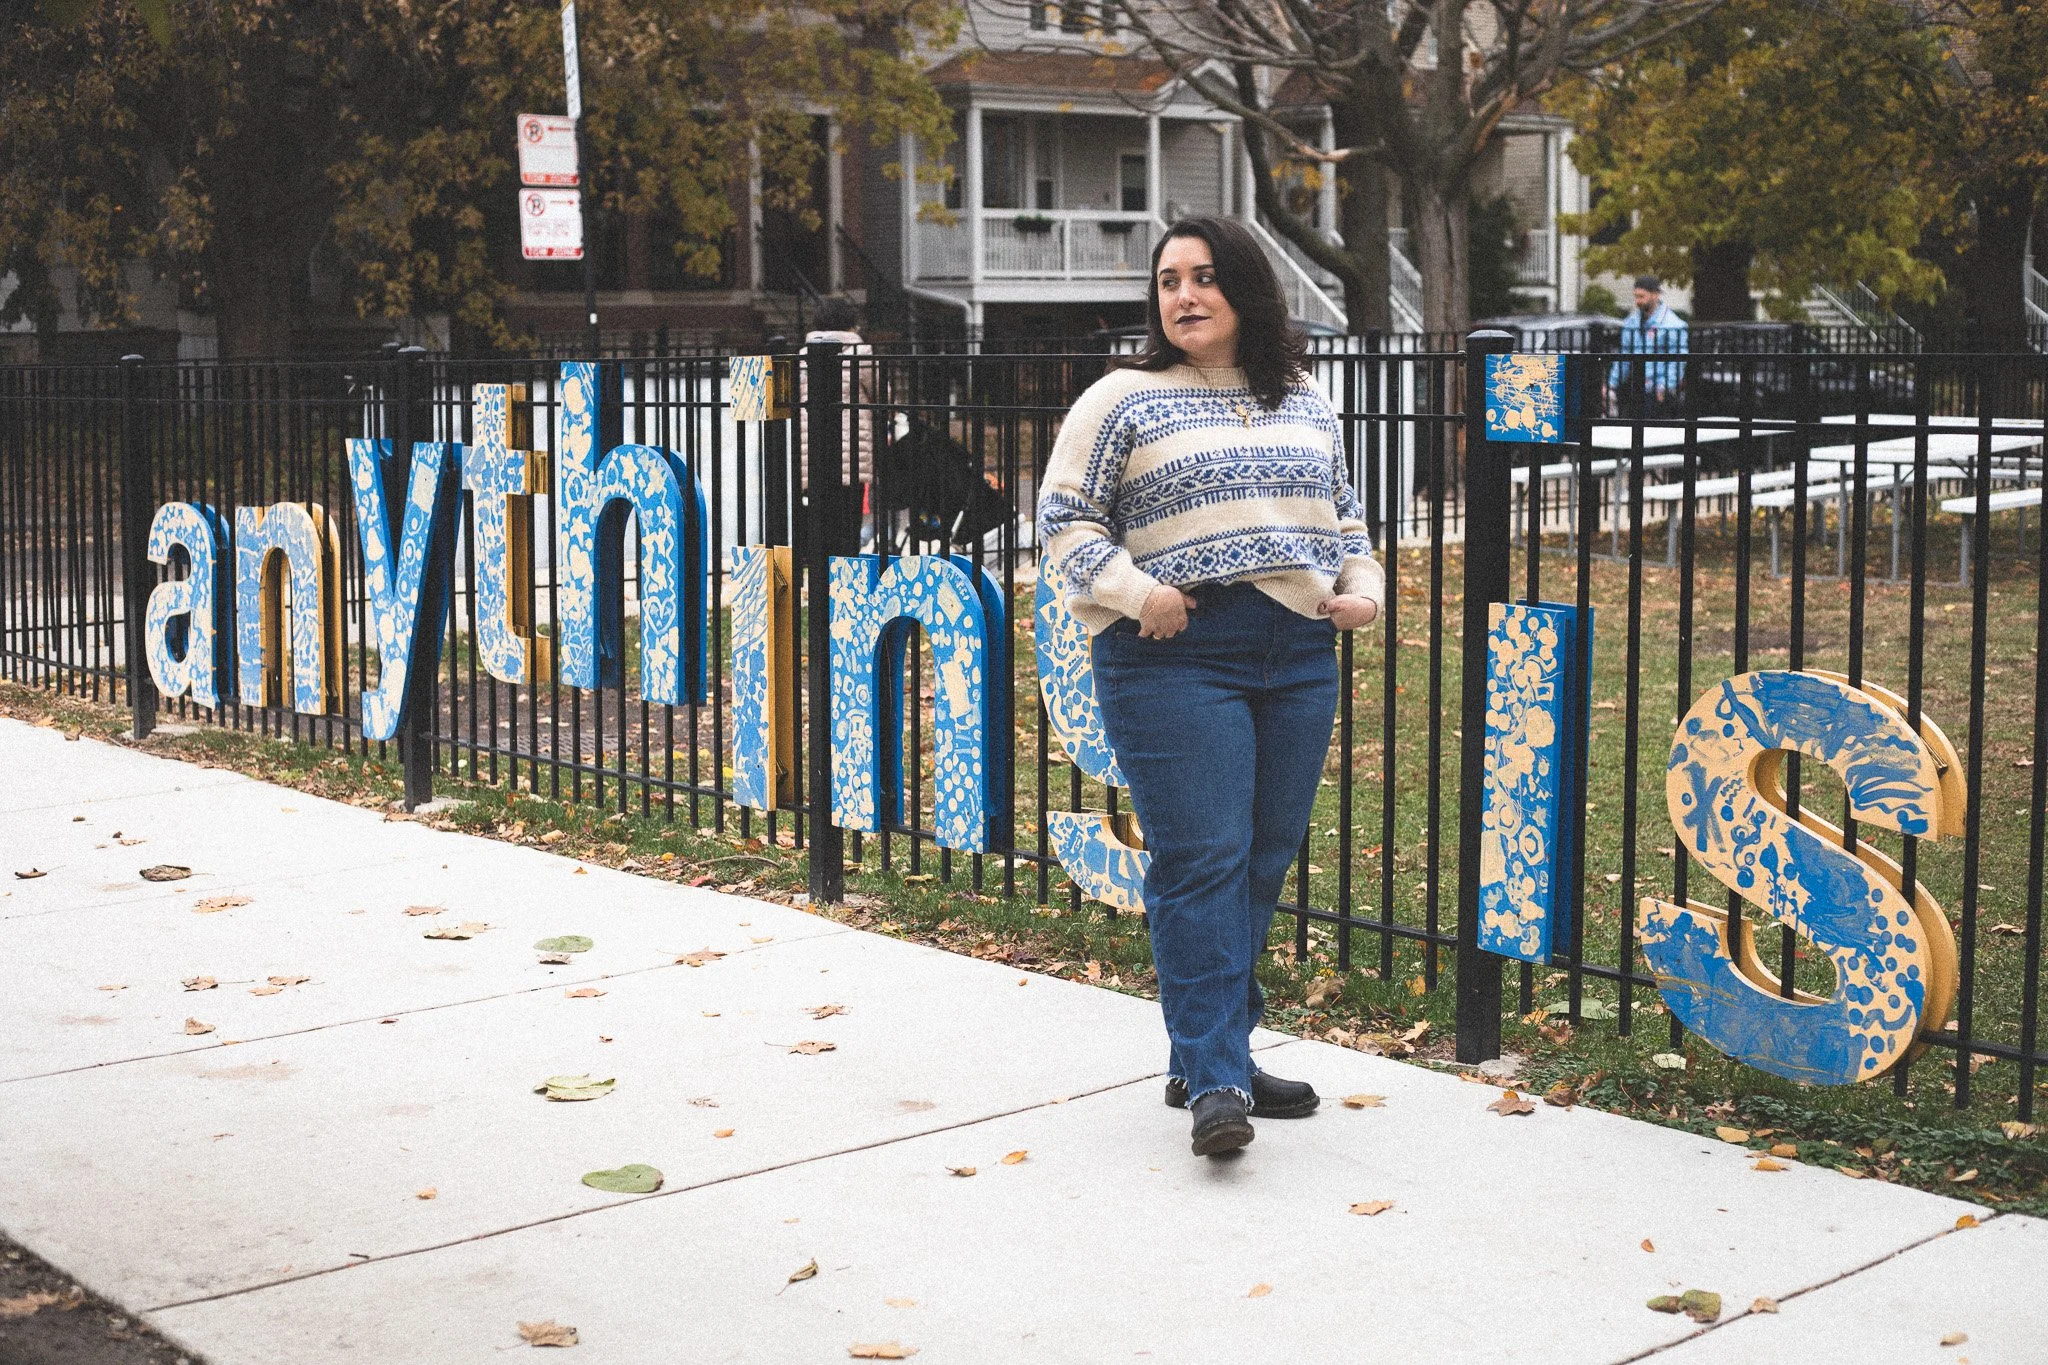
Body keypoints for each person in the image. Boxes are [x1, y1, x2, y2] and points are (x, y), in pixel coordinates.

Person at [1036, 216, 1384, 1158]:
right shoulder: (1123, 398)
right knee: (1202, 859)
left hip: (1298, 651)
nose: (1183, 297)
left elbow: (1344, 518)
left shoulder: (1305, 398)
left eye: (1203, 278)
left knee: (1263, 857)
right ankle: (1220, 1079)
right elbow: (1063, 522)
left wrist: (1363, 590)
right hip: (1175, 649)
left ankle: (1206, 1051)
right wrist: (1135, 590)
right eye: (1167, 282)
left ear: (1246, 289)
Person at [1609, 275, 1687, 415]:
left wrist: (1665, 387)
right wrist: (1612, 384)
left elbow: (1677, 360)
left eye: (1641, 296)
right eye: (1636, 296)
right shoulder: (1631, 322)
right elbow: (1624, 356)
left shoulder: (1673, 324)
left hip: (1659, 392)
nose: (1637, 301)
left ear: (1655, 295)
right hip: (1637, 388)